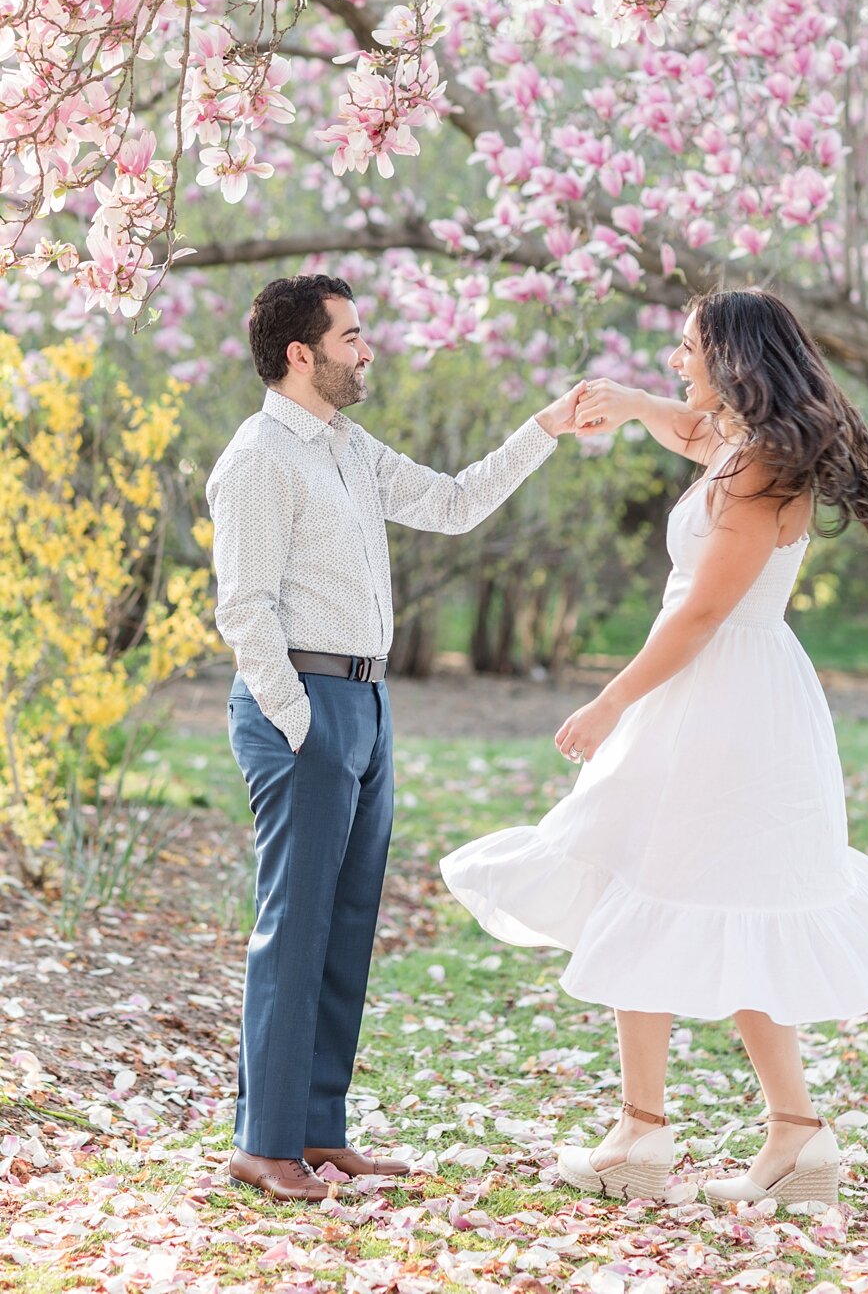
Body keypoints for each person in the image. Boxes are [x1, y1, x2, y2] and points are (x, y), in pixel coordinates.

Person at [440, 286, 868, 1209]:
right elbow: (688, 431)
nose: (677, 364)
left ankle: (663, 1136)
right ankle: (777, 1139)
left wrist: (607, 702)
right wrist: (635, 407)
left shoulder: (757, 469)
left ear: (732, 360)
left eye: (686, 349)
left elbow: (704, 611)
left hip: (722, 698)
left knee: (670, 887)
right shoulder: (750, 449)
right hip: (719, 696)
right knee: (668, 886)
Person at [206, 272, 585, 1202]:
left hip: (367, 705)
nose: (366, 349)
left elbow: (455, 503)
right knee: (293, 926)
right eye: (351, 337)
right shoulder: (259, 458)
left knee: (344, 925)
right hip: (304, 704)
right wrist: (298, 721)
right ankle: (263, 1144)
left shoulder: (347, 447)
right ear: (303, 355)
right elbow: (244, 609)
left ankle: (315, 1132)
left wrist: (545, 429)